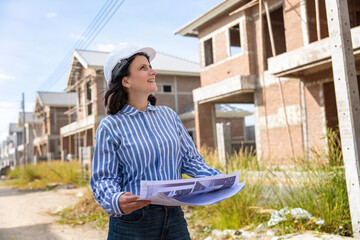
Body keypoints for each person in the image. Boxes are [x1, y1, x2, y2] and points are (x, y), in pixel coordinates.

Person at [90, 43, 222, 240]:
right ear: (126, 81)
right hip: (133, 222)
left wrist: (217, 180)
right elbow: (103, 179)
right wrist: (115, 200)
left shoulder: (168, 116)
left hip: (174, 218)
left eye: (150, 66)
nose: (153, 71)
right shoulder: (111, 126)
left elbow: (190, 160)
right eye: (143, 68)